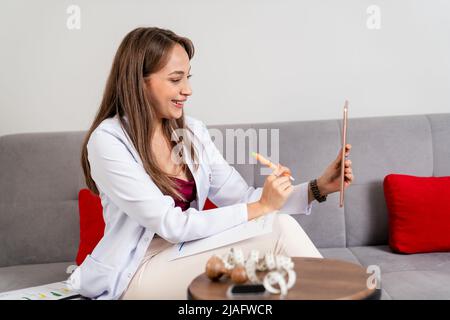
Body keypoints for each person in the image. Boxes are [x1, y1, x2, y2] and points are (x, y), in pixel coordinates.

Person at [68, 27, 354, 300]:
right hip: (137, 271)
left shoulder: (192, 132)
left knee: (279, 226)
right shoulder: (108, 141)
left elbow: (241, 199)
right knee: (279, 231)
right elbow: (171, 224)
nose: (188, 90)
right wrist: (261, 207)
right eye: (176, 79)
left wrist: (317, 188)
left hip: (186, 252)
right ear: (140, 82)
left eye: (188, 77)